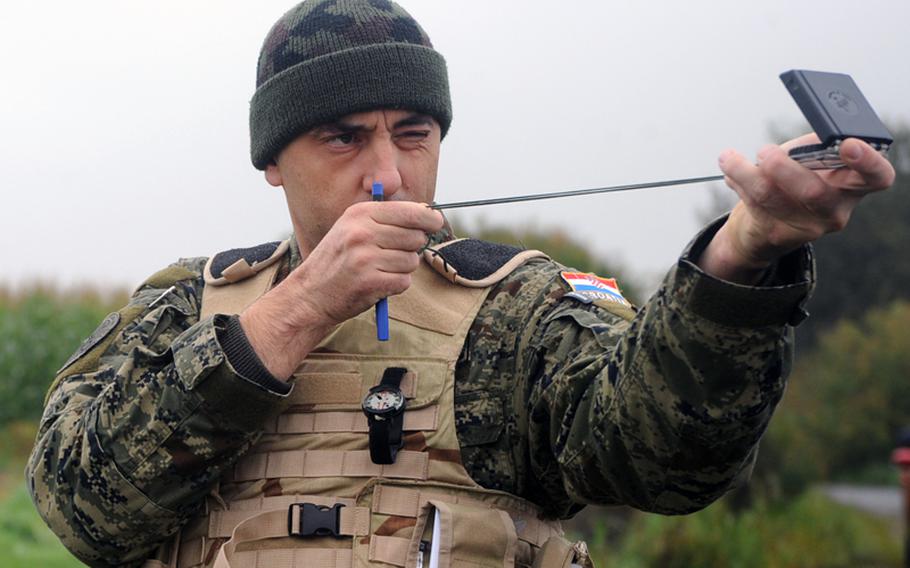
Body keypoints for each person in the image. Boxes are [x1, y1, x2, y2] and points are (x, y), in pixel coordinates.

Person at [27, 1, 895, 567]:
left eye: (413, 134)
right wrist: (294, 313)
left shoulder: (516, 308)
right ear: (272, 163)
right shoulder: (188, 305)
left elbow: (663, 462)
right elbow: (80, 511)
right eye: (343, 139)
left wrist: (744, 257)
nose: (388, 175)